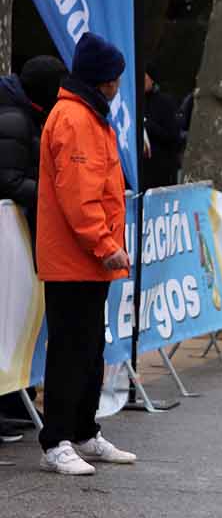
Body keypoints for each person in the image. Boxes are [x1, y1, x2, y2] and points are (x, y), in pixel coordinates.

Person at [35, 32, 135, 475]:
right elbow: (78, 195)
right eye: (115, 78)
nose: (118, 85)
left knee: (90, 347)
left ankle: (83, 430)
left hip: (87, 258)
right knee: (70, 349)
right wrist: (105, 243)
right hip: (76, 256)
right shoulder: (75, 119)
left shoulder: (89, 115)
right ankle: (56, 438)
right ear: (103, 80)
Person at [0, 54, 65, 430]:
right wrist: (55, 196)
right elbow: (8, 180)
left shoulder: (24, 113)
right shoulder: (14, 118)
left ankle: (15, 399)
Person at [141, 68, 183, 190]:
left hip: (162, 168)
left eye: (144, 78)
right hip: (142, 169)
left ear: (152, 80)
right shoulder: (137, 102)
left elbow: (173, 136)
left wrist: (147, 124)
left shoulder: (165, 102)